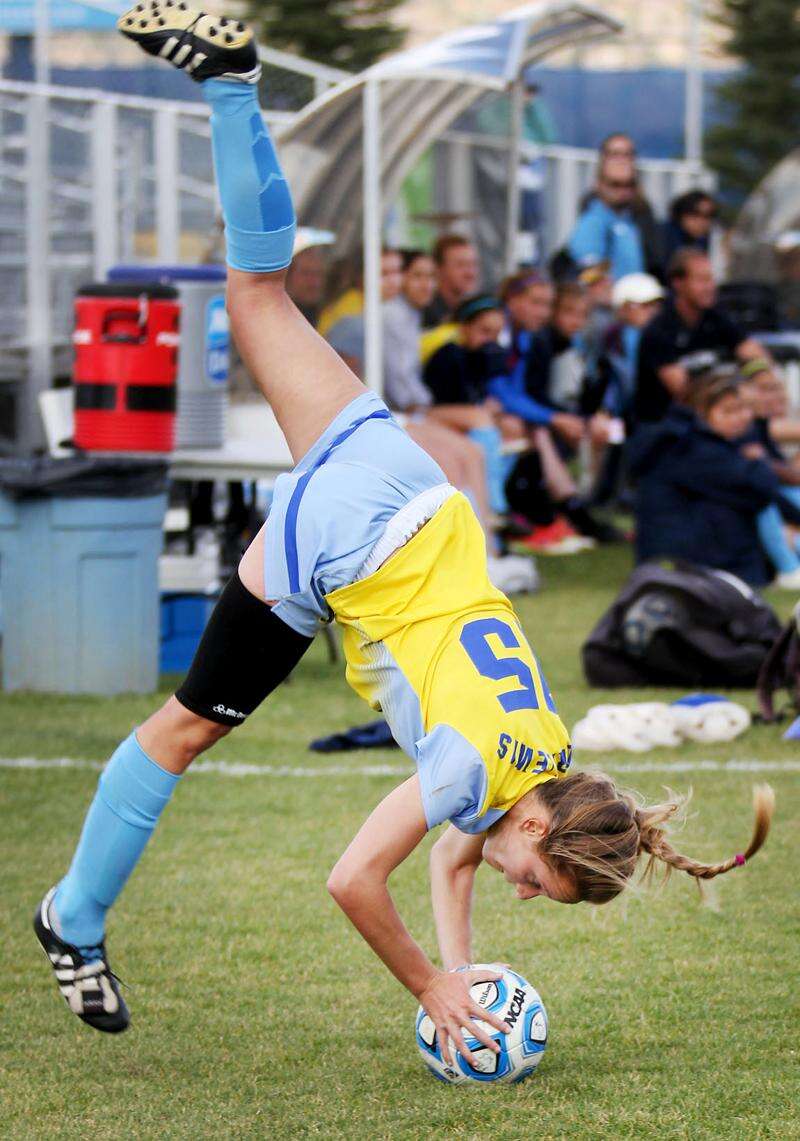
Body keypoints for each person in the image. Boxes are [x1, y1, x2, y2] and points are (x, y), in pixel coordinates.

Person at [35, 9, 775, 1059]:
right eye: (541, 882)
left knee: (258, 289)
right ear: (537, 825)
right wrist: (430, 983)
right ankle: (71, 916)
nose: (525, 892)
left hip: (403, 480)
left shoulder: (547, 755)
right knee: (183, 729)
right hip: (349, 546)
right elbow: (354, 878)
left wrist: (458, 971)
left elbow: (458, 854)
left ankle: (232, 88)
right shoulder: (480, 776)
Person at [628, 369, 800, 586]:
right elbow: (760, 487)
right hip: (697, 567)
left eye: (746, 408)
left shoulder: (690, 441)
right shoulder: (688, 448)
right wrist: (761, 463)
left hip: (698, 563)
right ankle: (789, 569)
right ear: (703, 410)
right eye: (731, 410)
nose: (744, 417)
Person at [634, 249, 773, 425]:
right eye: (702, 280)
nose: (710, 287)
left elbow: (754, 353)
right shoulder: (659, 330)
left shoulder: (716, 317)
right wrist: (737, 392)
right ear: (678, 283)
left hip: (718, 416)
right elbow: (685, 392)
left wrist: (759, 376)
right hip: (668, 426)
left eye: (711, 279)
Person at [568, 157, 645, 282]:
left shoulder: (631, 219)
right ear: (598, 184)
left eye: (629, 184)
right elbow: (590, 277)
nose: (623, 191)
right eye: (615, 184)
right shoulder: (592, 223)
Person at [422, 233, 481, 329]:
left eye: (473, 264)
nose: (470, 273)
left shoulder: (470, 311)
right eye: (461, 265)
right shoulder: (424, 313)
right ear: (439, 269)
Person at [662, 190, 724, 277]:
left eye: (709, 215)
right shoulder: (661, 237)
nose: (702, 221)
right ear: (681, 213)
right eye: (695, 213)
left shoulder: (704, 240)